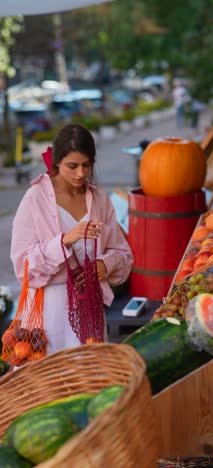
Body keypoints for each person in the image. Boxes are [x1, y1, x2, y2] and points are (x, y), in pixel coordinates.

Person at [10, 123, 133, 355]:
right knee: (50, 383)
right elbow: (23, 266)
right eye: (72, 166)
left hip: (90, 312)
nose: (80, 174)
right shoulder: (35, 199)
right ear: (57, 162)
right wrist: (64, 240)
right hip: (48, 314)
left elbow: (124, 255)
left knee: (89, 380)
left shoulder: (99, 200)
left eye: (87, 165)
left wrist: (104, 265)